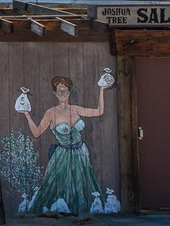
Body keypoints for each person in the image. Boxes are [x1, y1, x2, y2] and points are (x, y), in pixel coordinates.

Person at [20, 76, 111, 214]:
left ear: (69, 92)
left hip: (80, 152)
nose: (62, 93)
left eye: (65, 90)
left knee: (81, 185)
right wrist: (27, 114)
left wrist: (102, 89)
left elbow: (99, 111)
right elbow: (36, 132)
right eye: (59, 90)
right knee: (60, 186)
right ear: (55, 93)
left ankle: (81, 213)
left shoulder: (75, 109)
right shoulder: (51, 113)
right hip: (62, 156)